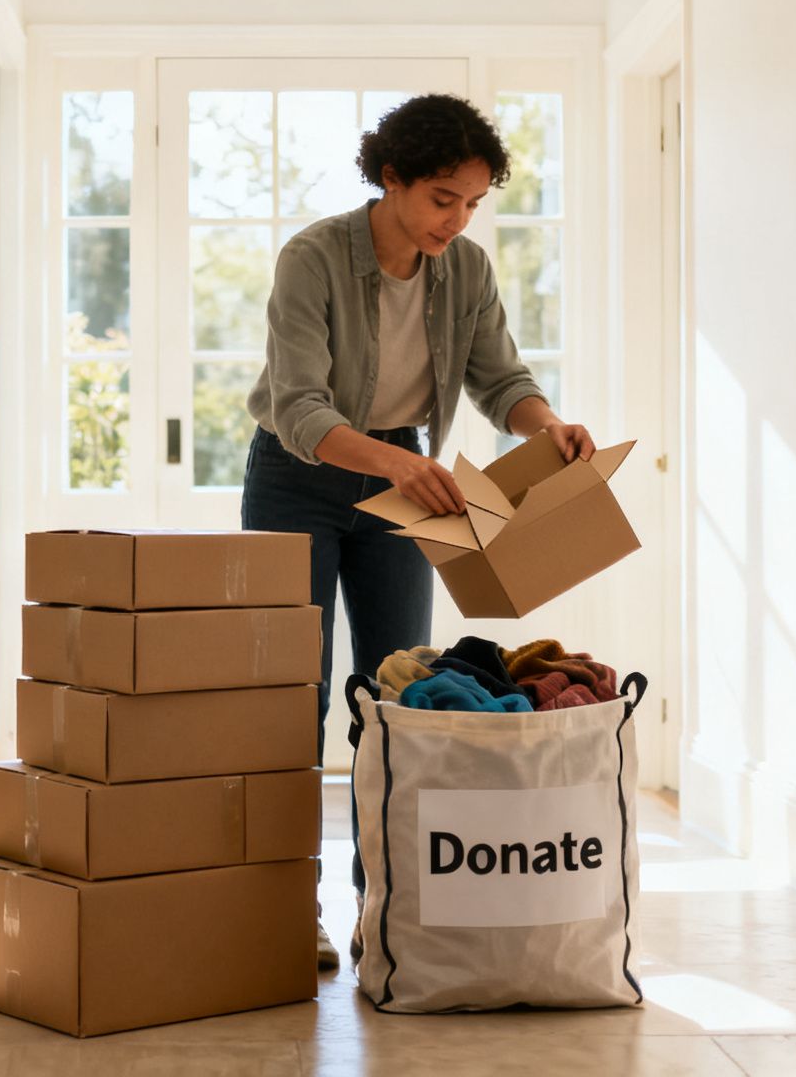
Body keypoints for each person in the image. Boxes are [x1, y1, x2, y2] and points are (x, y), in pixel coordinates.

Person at [240, 93, 597, 971]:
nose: (458, 219)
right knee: (295, 701)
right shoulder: (314, 258)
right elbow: (299, 407)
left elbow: (500, 376)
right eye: (443, 197)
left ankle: (385, 909)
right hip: (300, 476)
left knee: (400, 695)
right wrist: (398, 464)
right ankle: (288, 912)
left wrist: (545, 425)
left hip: (405, 482)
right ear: (392, 176)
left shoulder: (465, 269)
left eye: (473, 202)